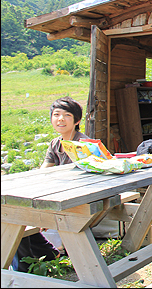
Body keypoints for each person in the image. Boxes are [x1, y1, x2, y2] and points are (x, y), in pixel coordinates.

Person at [14, 97, 88, 272]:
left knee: (19, 220)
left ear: (77, 120)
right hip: (58, 196)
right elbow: (43, 174)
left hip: (76, 199)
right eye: (56, 115)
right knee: (16, 217)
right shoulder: (55, 144)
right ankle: (42, 257)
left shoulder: (82, 143)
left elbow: (84, 179)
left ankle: (33, 264)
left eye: (66, 115)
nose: (60, 119)